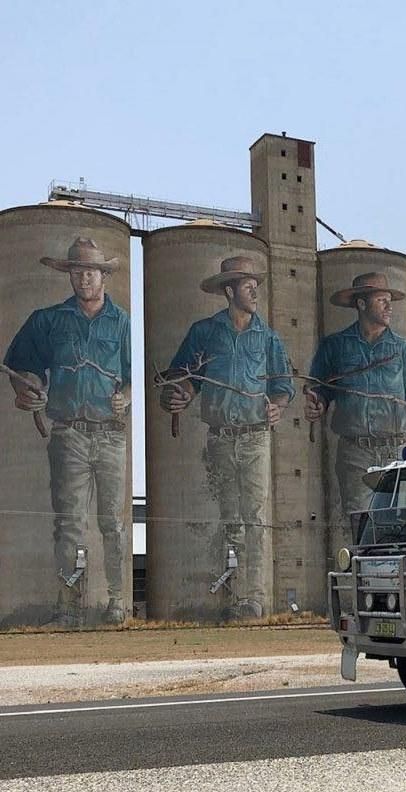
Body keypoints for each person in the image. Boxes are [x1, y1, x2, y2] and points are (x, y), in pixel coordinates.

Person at [4, 237, 131, 626]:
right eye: (76, 272)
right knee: (69, 523)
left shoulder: (124, 322)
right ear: (69, 275)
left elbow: (131, 376)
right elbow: (21, 366)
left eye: (90, 271)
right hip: (68, 435)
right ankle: (68, 607)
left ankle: (118, 604)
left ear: (105, 275)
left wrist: (125, 397)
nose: (83, 279)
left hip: (111, 435)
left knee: (112, 522)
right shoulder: (48, 321)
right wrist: (26, 390)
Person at [160, 256, 293, 620]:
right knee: (230, 520)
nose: (254, 289)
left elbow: (283, 386)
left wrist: (277, 406)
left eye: (256, 283)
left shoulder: (269, 338)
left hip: (255, 439)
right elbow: (181, 375)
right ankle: (236, 600)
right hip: (219, 439)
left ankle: (256, 598)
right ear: (230, 290)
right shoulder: (204, 332)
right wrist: (182, 391)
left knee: (255, 519)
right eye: (247, 283)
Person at [305, 271, 406, 518]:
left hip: (397, 450)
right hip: (356, 452)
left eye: (390, 300)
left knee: (404, 523)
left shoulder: (402, 349)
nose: (389, 307)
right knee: (361, 524)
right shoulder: (335, 346)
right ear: (361, 303)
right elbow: (320, 388)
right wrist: (318, 403)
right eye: (381, 300)